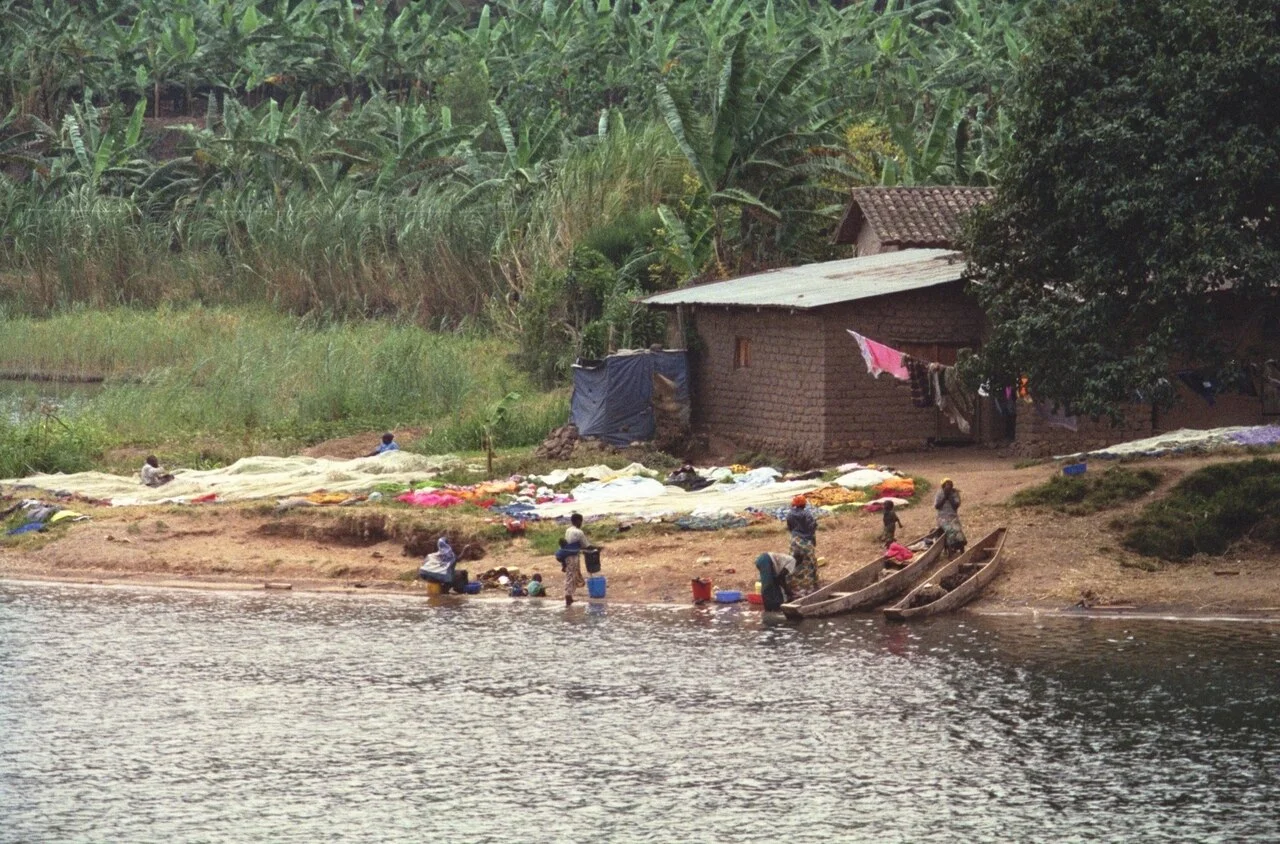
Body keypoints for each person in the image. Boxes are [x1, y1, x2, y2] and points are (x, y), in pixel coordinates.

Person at [785, 495, 820, 595]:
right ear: (804, 504)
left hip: (795, 540)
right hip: (806, 541)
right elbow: (812, 526)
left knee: (795, 562)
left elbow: (790, 527)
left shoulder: (790, 514)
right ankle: (810, 586)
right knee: (809, 562)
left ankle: (794, 585)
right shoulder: (807, 514)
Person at [555, 513, 589, 606]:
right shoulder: (579, 532)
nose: (581, 523)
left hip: (566, 556)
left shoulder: (568, 530)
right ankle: (568, 596)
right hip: (573, 556)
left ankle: (569, 595)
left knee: (571, 575)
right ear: (578, 521)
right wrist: (597, 548)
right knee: (571, 576)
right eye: (581, 521)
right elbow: (586, 545)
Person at [934, 478, 966, 556]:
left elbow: (956, 506)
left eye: (950, 485)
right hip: (942, 517)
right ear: (943, 486)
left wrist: (949, 497)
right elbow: (937, 506)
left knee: (958, 531)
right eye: (946, 486)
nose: (948, 487)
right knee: (949, 531)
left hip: (953, 516)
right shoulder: (939, 493)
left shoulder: (954, 493)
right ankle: (950, 551)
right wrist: (945, 497)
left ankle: (961, 550)